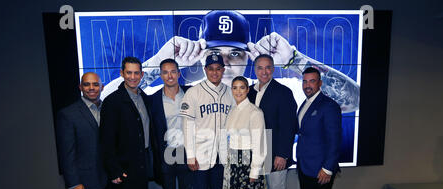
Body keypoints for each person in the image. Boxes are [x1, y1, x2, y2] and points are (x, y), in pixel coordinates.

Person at [102, 10, 359, 115]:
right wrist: (159, 62)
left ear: (249, 55)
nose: (223, 63)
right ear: (201, 55)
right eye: (215, 54)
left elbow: (353, 100)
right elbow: (106, 103)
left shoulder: (274, 91)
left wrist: (295, 60)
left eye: (234, 54)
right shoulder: (181, 93)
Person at [100, 57, 161, 189]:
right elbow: (106, 141)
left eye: (137, 73)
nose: (133, 77)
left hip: (141, 163)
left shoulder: (143, 96)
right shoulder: (113, 101)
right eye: (129, 73)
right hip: (123, 167)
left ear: (142, 74)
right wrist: (114, 170)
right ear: (122, 73)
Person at [179, 54, 233, 189]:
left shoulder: (230, 93)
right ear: (205, 69)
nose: (215, 72)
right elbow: (187, 126)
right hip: (200, 156)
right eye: (211, 68)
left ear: (223, 70)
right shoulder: (193, 93)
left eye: (218, 68)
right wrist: (190, 155)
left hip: (222, 156)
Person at [292, 67, 342, 189]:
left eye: (312, 81)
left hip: (321, 169)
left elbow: (335, 140)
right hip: (305, 165)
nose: (307, 85)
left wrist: (328, 168)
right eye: (305, 81)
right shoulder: (305, 103)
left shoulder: (328, 106)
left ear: (320, 83)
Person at [248, 54, 297, 189]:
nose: (264, 71)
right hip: (254, 154)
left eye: (268, 67)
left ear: (273, 69)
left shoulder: (283, 92)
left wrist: (282, 154)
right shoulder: (249, 92)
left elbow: (289, 125)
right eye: (260, 68)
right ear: (254, 69)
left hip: (275, 152)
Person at [150, 58, 196, 189]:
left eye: (173, 71)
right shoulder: (153, 99)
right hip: (166, 153)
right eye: (165, 72)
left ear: (178, 73)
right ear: (161, 75)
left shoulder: (190, 93)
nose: (169, 75)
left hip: (186, 152)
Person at [220, 76, 269, 189]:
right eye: (234, 88)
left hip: (248, 164)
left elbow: (260, 145)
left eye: (242, 88)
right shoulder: (233, 111)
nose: (238, 91)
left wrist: (254, 172)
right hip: (234, 162)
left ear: (248, 90)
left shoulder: (255, 112)